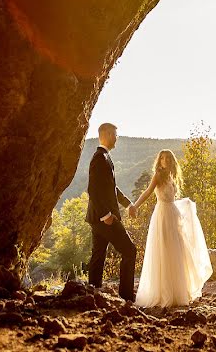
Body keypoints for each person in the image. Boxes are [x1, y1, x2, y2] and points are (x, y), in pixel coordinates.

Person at [128, 149, 213, 307]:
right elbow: (147, 192)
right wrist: (135, 206)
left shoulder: (172, 177)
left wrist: (184, 204)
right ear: (159, 161)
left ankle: (178, 291)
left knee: (177, 251)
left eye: (168, 158)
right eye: (162, 158)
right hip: (162, 216)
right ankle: (163, 293)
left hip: (173, 215)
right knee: (164, 250)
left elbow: (171, 198)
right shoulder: (158, 176)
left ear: (172, 161)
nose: (165, 160)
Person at [84, 122, 137, 301]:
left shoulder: (104, 157)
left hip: (97, 218)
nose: (117, 138)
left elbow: (111, 188)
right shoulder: (99, 158)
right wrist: (106, 215)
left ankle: (92, 292)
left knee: (98, 254)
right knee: (130, 250)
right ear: (106, 134)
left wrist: (128, 204)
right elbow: (93, 189)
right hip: (104, 218)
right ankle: (127, 296)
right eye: (115, 134)